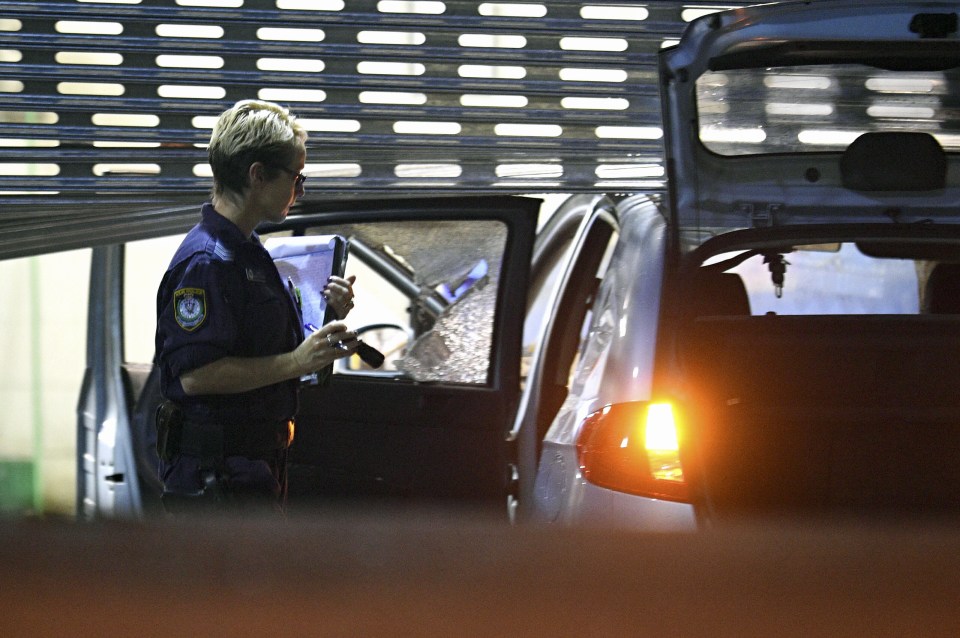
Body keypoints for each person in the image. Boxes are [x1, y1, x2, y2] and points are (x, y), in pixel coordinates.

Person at [154, 99, 358, 515]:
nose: (299, 191)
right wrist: (297, 362)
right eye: (296, 178)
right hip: (216, 484)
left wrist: (329, 322)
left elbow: (265, 349)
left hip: (251, 472)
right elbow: (195, 376)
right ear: (258, 175)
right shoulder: (207, 263)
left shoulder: (250, 253)